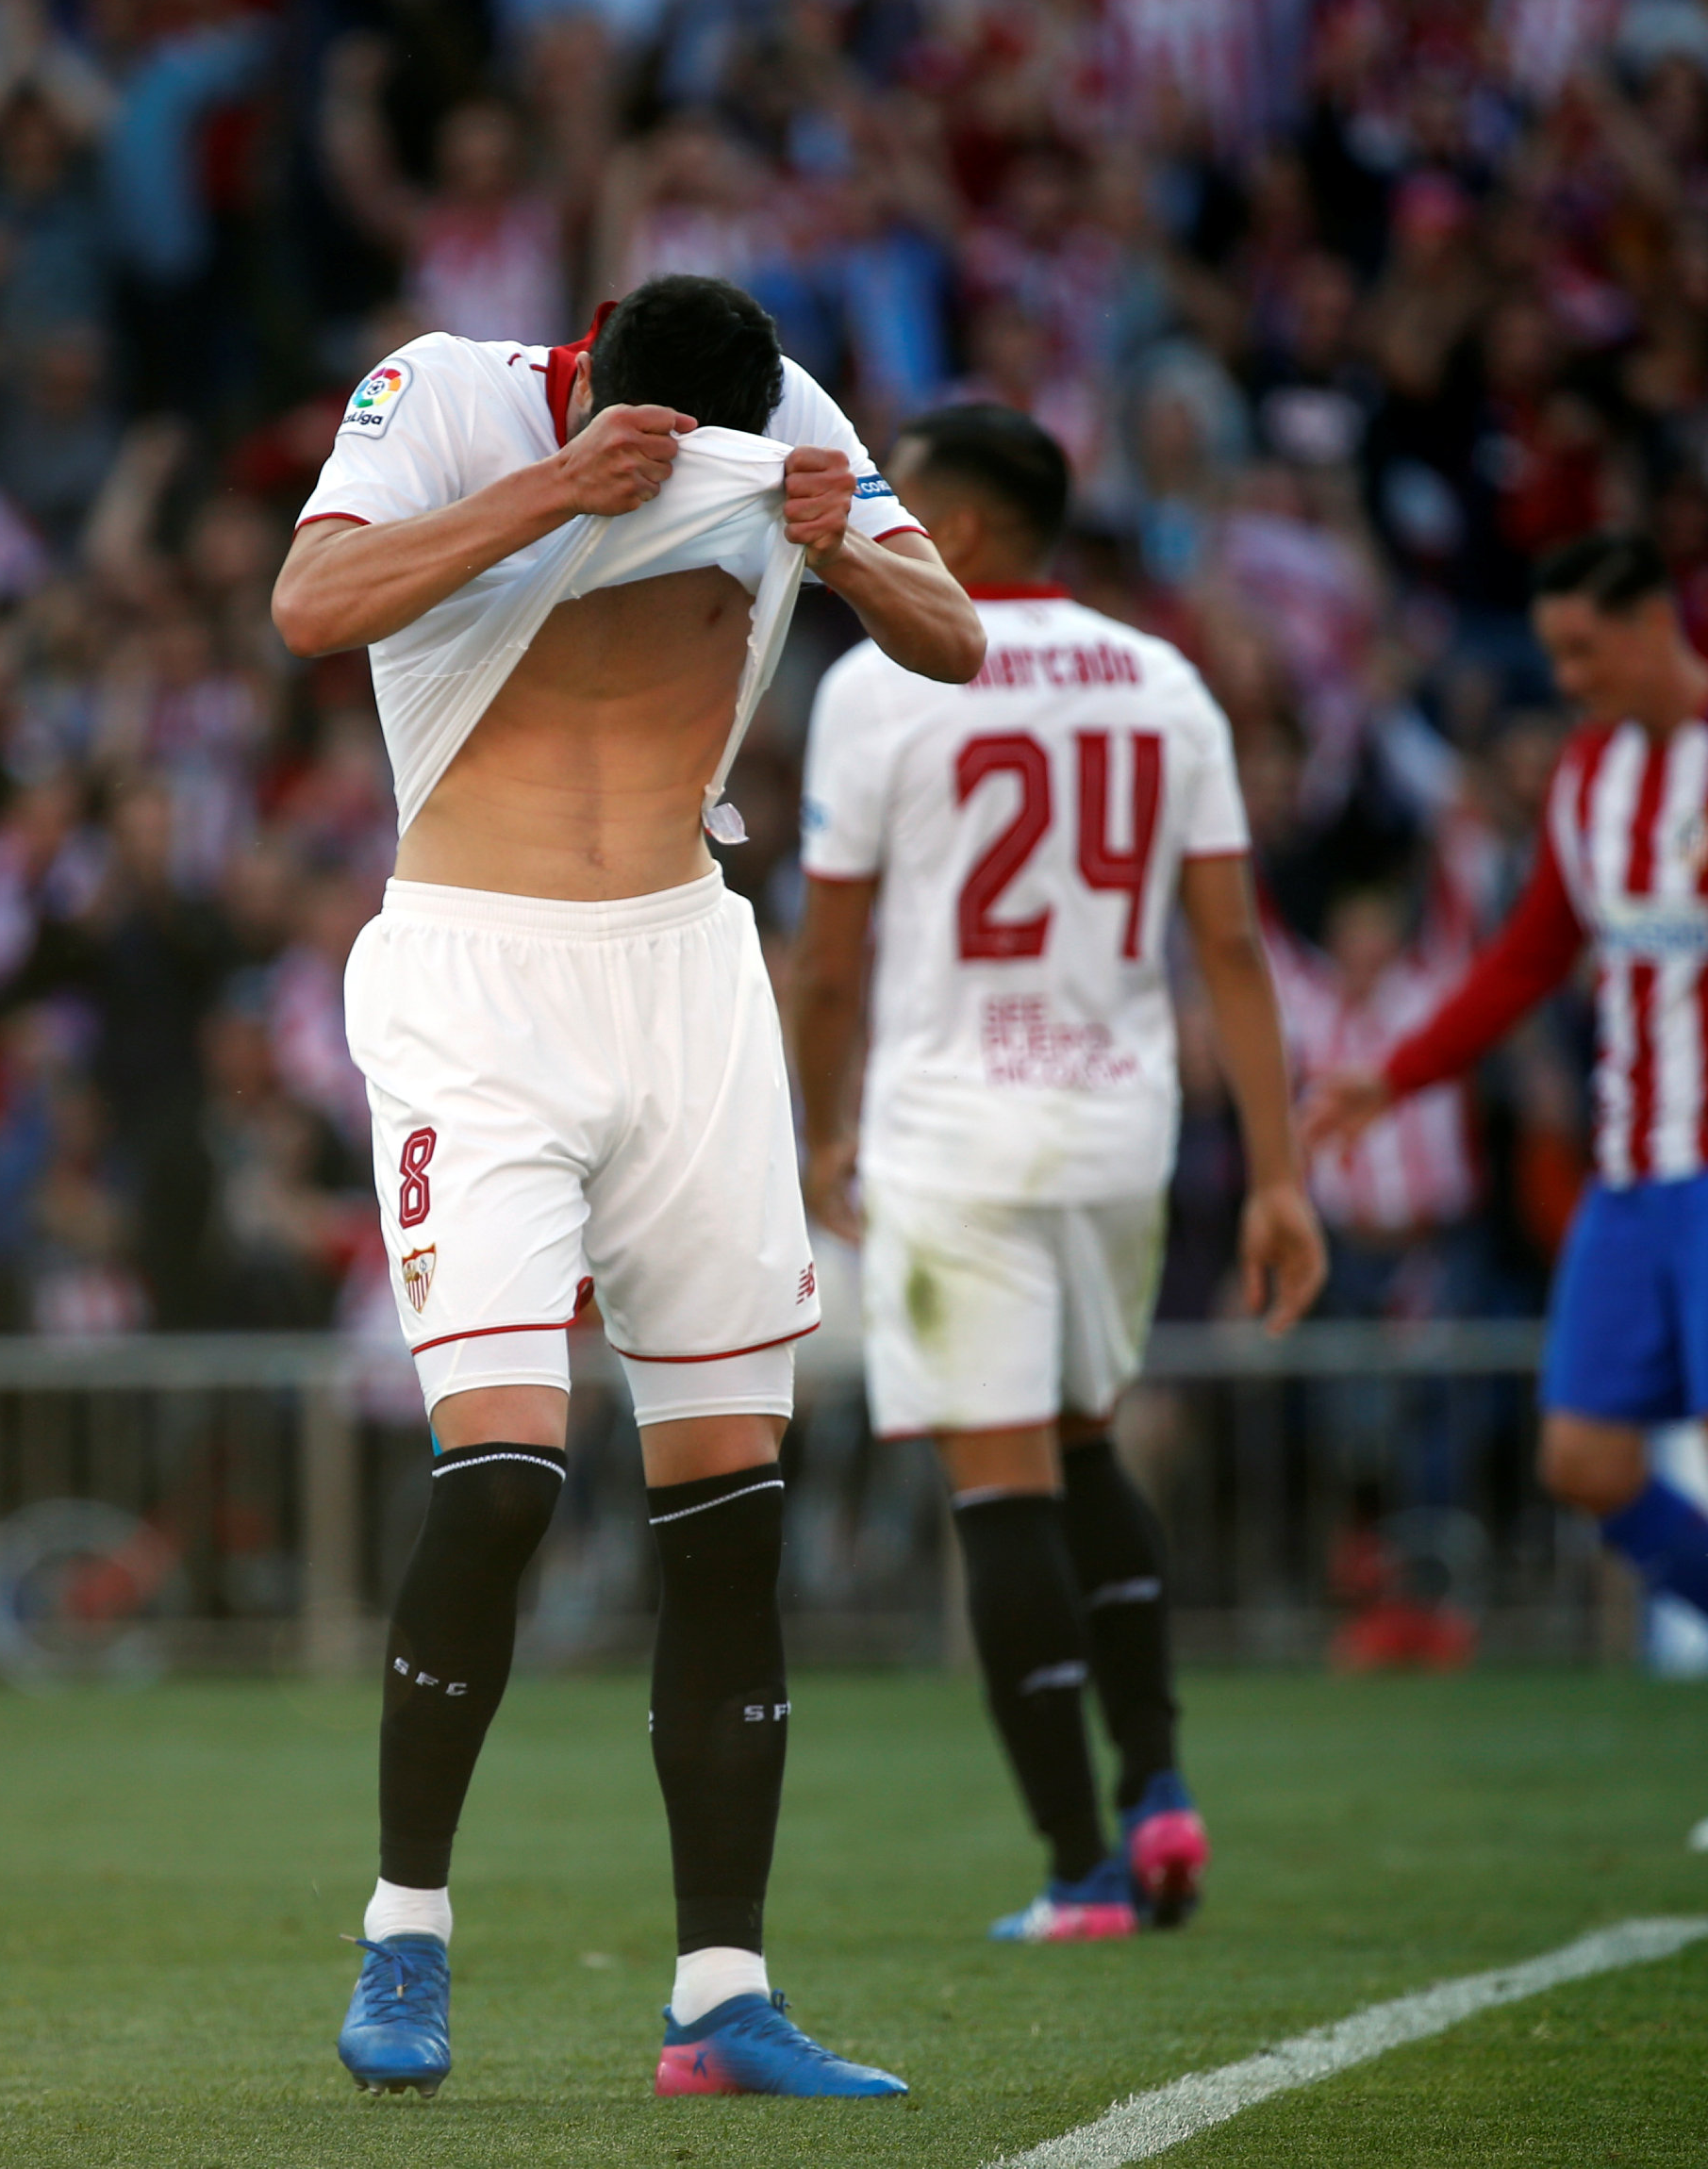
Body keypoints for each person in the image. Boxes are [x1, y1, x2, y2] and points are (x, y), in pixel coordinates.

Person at [273, 273, 983, 2099]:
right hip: (473, 974)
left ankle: (721, 1996)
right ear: (586, 374)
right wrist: (562, 487)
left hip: (684, 970)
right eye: (653, 435)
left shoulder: (791, 421)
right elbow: (307, 605)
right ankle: (404, 1940)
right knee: (502, 1474)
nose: (691, 471)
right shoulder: (442, 389)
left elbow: (954, 637)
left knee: (729, 1503)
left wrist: (845, 549)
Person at [788, 405, 1324, 1944]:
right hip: (1116, 1123)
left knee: (1000, 1478)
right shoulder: (1165, 682)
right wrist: (1279, 1178)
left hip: (956, 1128)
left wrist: (821, 1125)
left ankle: (1081, 1863)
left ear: (950, 531)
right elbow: (1228, 945)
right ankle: (1160, 1781)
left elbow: (833, 962)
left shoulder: (882, 683)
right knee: (1088, 1444)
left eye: (901, 504)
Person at [1302, 532, 1708, 1852]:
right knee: (1583, 1456)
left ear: (1650, 626)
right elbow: (1529, 960)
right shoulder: (1588, 772)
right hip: (1632, 1173)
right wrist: (1388, 1078)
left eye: (1583, 649)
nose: (1566, 677)